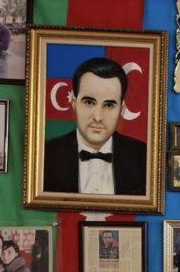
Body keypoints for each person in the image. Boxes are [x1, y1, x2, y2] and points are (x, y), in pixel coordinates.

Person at [43, 57, 147, 196]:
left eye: (109, 105)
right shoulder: (46, 155)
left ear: (121, 109)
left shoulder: (144, 157)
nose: (98, 117)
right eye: (89, 102)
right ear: (74, 104)